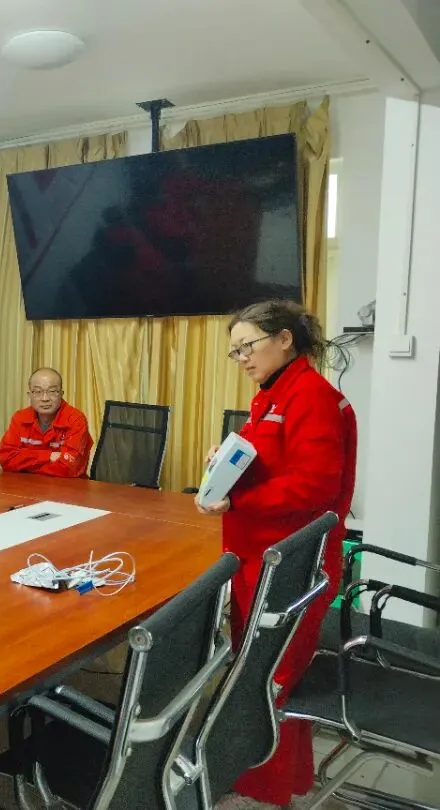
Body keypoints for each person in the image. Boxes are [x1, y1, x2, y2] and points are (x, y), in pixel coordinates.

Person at [195, 300, 357, 809]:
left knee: (269, 678)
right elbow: (269, 460)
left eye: (247, 346)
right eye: (235, 352)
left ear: (285, 339)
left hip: (290, 564)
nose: (242, 358)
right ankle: (289, 778)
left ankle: (260, 790)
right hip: (259, 556)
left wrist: (239, 499)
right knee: (261, 670)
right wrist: (225, 461)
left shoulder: (311, 396)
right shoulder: (272, 395)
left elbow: (315, 485)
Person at [0, 368, 93, 478]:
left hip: (67, 486)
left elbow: (71, 468)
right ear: (29, 395)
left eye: (52, 391)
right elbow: (6, 459)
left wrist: (25, 464)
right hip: (27, 485)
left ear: (61, 394)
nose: (45, 398)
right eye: (38, 392)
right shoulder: (20, 418)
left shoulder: (75, 419)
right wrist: (49, 456)